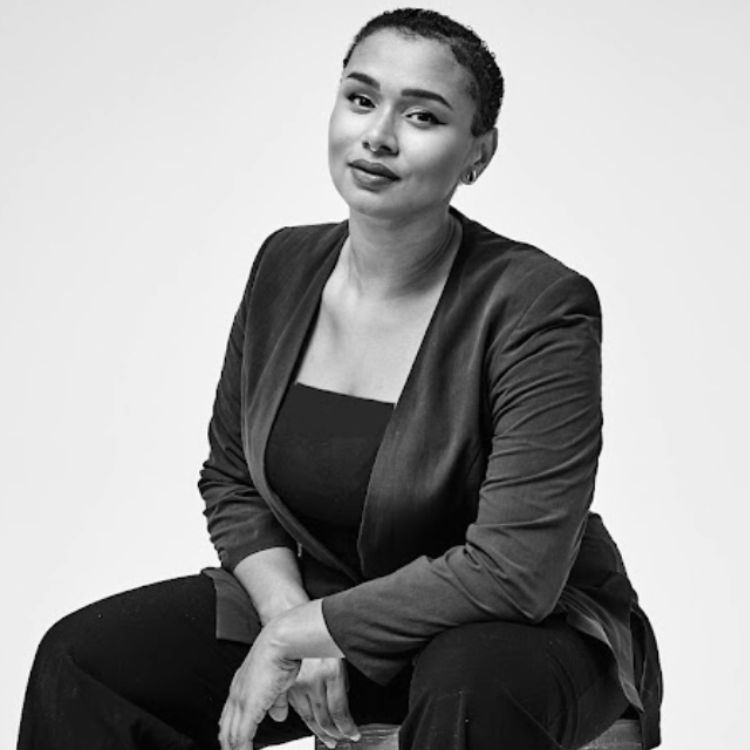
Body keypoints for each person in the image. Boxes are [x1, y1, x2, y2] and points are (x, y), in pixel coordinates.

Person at [17, 8, 662, 750]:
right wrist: (289, 617)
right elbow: (231, 480)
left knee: (470, 687)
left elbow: (515, 569)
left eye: (422, 116)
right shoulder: (283, 265)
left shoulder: (539, 303)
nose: (378, 135)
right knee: (86, 663)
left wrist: (314, 631)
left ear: (478, 154)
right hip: (328, 596)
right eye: (361, 99)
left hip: (519, 626)